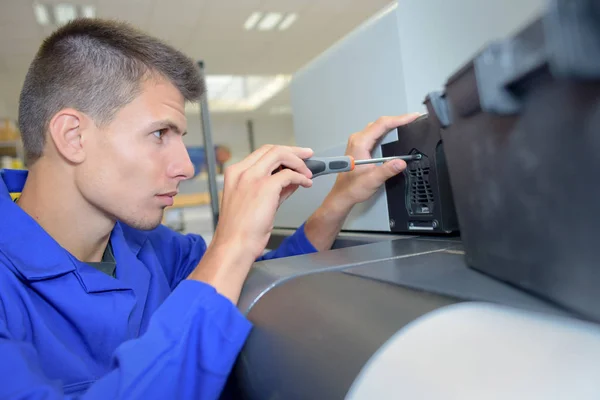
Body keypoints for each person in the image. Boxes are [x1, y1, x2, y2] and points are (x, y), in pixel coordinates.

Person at [0, 18, 420, 399]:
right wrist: (230, 244)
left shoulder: (153, 247)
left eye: (180, 135)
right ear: (72, 136)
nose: (185, 167)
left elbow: (255, 287)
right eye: (160, 132)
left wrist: (340, 198)